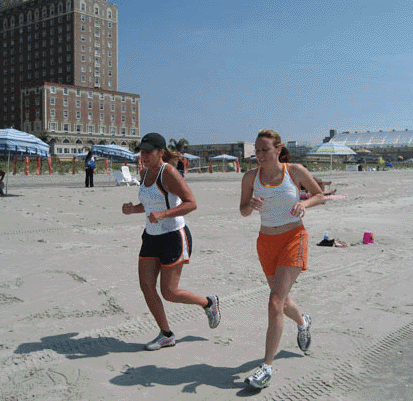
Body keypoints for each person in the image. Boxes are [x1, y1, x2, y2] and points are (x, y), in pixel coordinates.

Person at [239, 129, 325, 389]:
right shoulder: (250, 177)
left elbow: (320, 194)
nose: (260, 155)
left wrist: (304, 205)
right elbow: (242, 211)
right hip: (266, 242)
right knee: (283, 301)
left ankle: (266, 368)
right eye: (257, 150)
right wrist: (250, 206)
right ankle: (303, 321)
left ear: (278, 150)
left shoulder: (294, 171)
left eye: (265, 150)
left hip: (293, 238)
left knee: (274, 302)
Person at [122, 132, 221, 351]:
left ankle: (208, 303)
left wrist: (163, 215)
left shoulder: (169, 173)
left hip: (173, 237)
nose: (144, 156)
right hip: (151, 236)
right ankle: (166, 334)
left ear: (160, 152)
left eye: (149, 152)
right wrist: (133, 209)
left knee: (169, 292)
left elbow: (191, 203)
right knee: (146, 286)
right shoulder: (144, 172)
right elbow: (149, 205)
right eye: (142, 151)